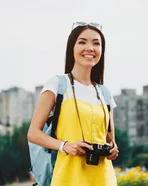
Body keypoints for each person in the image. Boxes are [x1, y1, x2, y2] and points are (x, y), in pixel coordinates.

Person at [27, 22, 119, 186]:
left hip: (103, 178)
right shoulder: (57, 84)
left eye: (96, 43)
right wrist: (64, 146)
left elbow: (109, 139)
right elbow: (33, 133)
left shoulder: (105, 93)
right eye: (82, 42)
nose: (90, 48)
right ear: (72, 48)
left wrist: (112, 149)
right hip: (68, 177)